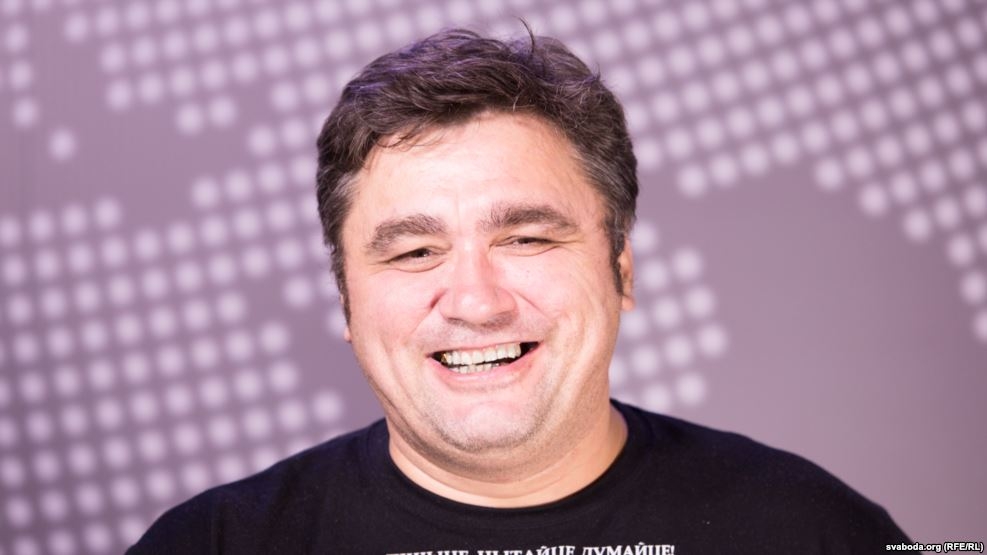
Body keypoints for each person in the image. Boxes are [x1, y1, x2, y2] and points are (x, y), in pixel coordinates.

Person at [129, 26, 910, 553]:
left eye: (526, 238)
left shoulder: (812, 530)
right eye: (414, 251)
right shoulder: (214, 544)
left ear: (621, 269)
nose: (476, 301)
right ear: (345, 299)